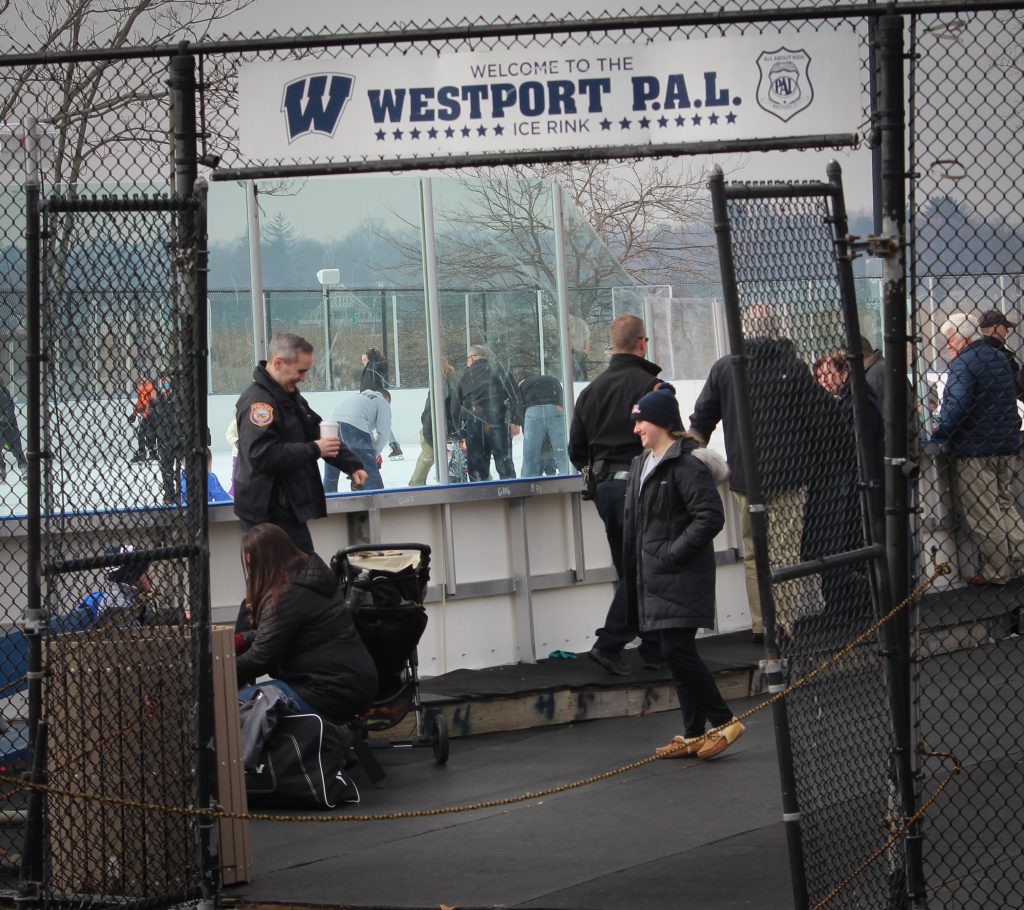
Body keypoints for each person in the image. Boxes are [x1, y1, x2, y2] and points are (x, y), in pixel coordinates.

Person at [619, 384, 745, 760]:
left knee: (677, 650)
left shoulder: (685, 465)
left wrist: (673, 553)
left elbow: (710, 517)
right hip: (655, 576)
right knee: (676, 652)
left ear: (659, 422)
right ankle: (693, 732)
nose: (636, 428)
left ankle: (725, 721)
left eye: (640, 421)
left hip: (679, 574)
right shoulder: (644, 464)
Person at [689, 305, 825, 643]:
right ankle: (784, 624)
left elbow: (701, 419)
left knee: (753, 552)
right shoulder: (793, 368)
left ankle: (761, 623)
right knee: (786, 552)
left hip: (746, 479)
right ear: (777, 330)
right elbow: (818, 422)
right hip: (790, 476)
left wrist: (690, 459)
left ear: (743, 330)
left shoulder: (726, 368)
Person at [568, 314, 663, 673]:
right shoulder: (651, 387)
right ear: (642, 342)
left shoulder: (590, 391)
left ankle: (653, 648)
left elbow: (576, 449)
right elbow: (672, 440)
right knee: (645, 567)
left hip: (606, 489)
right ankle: (610, 642)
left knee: (630, 568)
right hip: (641, 486)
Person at [233, 333, 367, 554]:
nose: (303, 378)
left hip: (287, 508)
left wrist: (351, 463)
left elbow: (317, 429)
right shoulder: (259, 404)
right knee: (282, 580)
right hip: (265, 513)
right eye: (300, 371)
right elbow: (261, 454)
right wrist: (314, 449)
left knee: (301, 577)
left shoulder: (290, 396)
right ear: (278, 363)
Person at [235, 523, 378, 722]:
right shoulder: (308, 578)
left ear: (264, 563)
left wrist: (220, 671)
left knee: (232, 705)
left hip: (328, 691)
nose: (251, 573)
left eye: (253, 566)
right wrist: (243, 640)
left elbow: (260, 657)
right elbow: (274, 634)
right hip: (352, 684)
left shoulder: (287, 594)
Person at [932, 312, 1024, 586]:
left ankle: (997, 571)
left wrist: (940, 429)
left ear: (965, 338)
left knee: (983, 515)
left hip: (975, 448)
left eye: (950, 340)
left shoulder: (964, 364)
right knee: (1005, 506)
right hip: (1005, 444)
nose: (947, 346)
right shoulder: (998, 357)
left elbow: (957, 406)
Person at [451, 344, 523, 482]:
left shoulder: (466, 375)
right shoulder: (500, 370)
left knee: (478, 471)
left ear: (472, 358)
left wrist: (460, 433)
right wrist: (515, 421)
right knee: (505, 467)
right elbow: (515, 396)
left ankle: (480, 499)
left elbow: (455, 406)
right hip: (498, 422)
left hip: (475, 424)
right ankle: (511, 497)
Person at [323, 389, 392, 492]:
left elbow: (367, 433)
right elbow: (384, 433)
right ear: (387, 400)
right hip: (352, 427)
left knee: (331, 475)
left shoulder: (357, 397)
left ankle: (327, 503)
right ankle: (379, 504)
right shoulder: (383, 402)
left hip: (331, 426)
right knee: (370, 473)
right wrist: (373, 455)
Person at [409, 357, 458, 486]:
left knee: (428, 456)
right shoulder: (451, 381)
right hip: (446, 426)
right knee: (431, 455)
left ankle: (416, 484)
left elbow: (431, 413)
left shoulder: (440, 384)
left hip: (437, 426)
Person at [518, 372, 568, 477]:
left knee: (530, 456)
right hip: (555, 408)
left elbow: (520, 406)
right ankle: (569, 480)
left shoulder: (523, 384)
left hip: (533, 410)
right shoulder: (552, 379)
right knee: (562, 454)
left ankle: (527, 485)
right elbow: (562, 397)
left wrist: (525, 430)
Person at [360, 348, 403, 459]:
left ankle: (385, 448)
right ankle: (393, 446)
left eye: (365, 359)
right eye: (362, 360)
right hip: (369, 400)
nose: (363, 362)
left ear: (370, 359)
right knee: (380, 423)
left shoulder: (374, 367)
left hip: (375, 399)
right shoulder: (368, 370)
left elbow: (379, 366)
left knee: (379, 424)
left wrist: (371, 354)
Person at [148, 374, 181, 506]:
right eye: (162, 383)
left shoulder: (177, 400)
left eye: (167, 383)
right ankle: (169, 495)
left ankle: (182, 492)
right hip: (162, 441)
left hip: (178, 440)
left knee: (182, 468)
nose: (164, 386)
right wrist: (152, 446)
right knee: (166, 470)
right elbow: (150, 425)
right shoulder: (155, 403)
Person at [977, 309, 1024, 401]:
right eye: (1005, 327)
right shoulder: (1003, 356)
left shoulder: (972, 352)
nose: (1007, 331)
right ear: (995, 328)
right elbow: (1019, 390)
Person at [0, 378, 27, 482]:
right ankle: (1, 471)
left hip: (10, 430)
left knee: (17, 450)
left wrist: (3, 422)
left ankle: (24, 469)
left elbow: (8, 414)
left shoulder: (4, 396)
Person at [129, 373, 157, 463]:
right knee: (141, 433)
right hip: (145, 414)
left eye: (143, 377)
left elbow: (152, 400)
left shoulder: (151, 386)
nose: (141, 379)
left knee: (150, 433)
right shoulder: (141, 387)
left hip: (151, 413)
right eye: (141, 377)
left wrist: (147, 410)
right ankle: (143, 453)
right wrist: (134, 413)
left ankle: (152, 453)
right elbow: (139, 402)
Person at [568, 313, 592, 381]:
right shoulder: (567, 321)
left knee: (580, 368)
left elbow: (587, 338)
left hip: (578, 351)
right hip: (573, 351)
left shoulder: (580, 323)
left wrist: (586, 350)